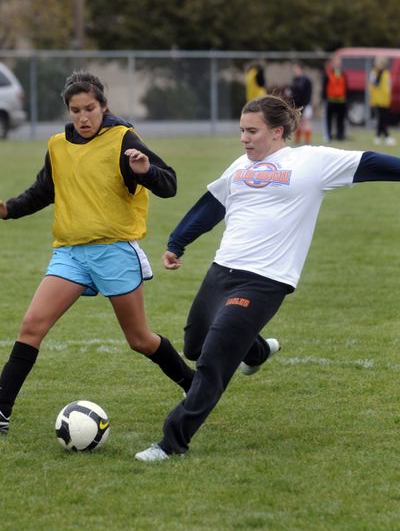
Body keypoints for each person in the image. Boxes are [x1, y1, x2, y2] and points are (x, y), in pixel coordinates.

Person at [135, 94, 400, 462]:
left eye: (252, 131)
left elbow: (372, 163)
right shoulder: (239, 167)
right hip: (222, 269)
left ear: (277, 132)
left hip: (266, 279)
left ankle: (171, 443)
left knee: (213, 360)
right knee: (194, 345)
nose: (244, 138)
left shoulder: (312, 161)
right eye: (242, 130)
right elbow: (212, 204)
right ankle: (257, 350)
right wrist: (178, 242)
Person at [0, 70, 194, 435]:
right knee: (31, 327)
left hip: (114, 252)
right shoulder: (58, 145)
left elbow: (169, 184)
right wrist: (8, 209)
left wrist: (145, 170)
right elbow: (45, 190)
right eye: (76, 110)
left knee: (140, 340)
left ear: (104, 106)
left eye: (90, 108)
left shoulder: (122, 139)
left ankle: (194, 384)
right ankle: (1, 410)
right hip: (70, 254)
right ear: (69, 111)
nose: (83, 117)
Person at [369, 56, 396, 146]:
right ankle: (386, 136)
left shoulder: (386, 73)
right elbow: (374, 84)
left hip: (385, 99)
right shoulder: (373, 73)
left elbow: (388, 85)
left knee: (384, 118)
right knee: (381, 118)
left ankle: (378, 137)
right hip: (377, 100)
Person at [287, 61, 313, 144]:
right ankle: (297, 140)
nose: (294, 70)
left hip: (305, 104)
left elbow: (306, 93)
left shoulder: (306, 80)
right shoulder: (295, 80)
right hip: (297, 105)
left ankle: (307, 140)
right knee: (298, 122)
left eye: (296, 68)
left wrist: (306, 104)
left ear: (300, 68)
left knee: (306, 122)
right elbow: (293, 92)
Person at [322, 56, 347, 141]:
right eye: (336, 62)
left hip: (341, 101)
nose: (337, 64)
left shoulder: (343, 73)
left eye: (339, 63)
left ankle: (340, 136)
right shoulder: (328, 73)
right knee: (329, 119)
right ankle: (328, 136)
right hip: (331, 100)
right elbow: (324, 87)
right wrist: (324, 98)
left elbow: (346, 87)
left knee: (340, 120)